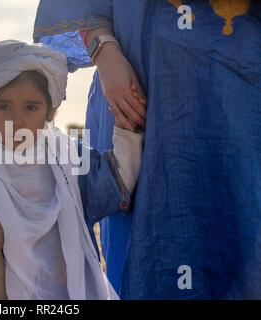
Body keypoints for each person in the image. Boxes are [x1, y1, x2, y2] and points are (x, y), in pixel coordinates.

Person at [33, 0, 260, 299]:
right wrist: (103, 48)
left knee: (240, 235)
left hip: (238, 101)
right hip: (139, 95)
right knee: (145, 250)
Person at [0, 40, 145, 299]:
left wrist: (127, 129)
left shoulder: (70, 160)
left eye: (30, 107)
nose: (17, 119)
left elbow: (118, 182)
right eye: (3, 107)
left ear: (50, 111)